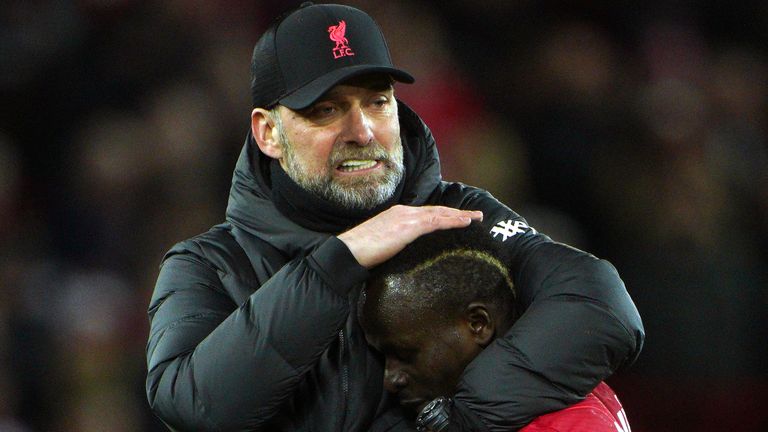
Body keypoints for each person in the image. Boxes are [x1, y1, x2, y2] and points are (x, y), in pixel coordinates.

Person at [145, 3, 644, 431]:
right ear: (268, 133)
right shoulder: (208, 264)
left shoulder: (457, 216)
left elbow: (602, 308)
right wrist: (338, 261)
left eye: (377, 101)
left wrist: (459, 418)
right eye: (326, 110)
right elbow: (193, 404)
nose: (362, 130)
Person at [360, 224, 632, 431]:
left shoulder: (566, 424)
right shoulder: (558, 386)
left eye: (406, 354)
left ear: (478, 324)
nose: (391, 380)